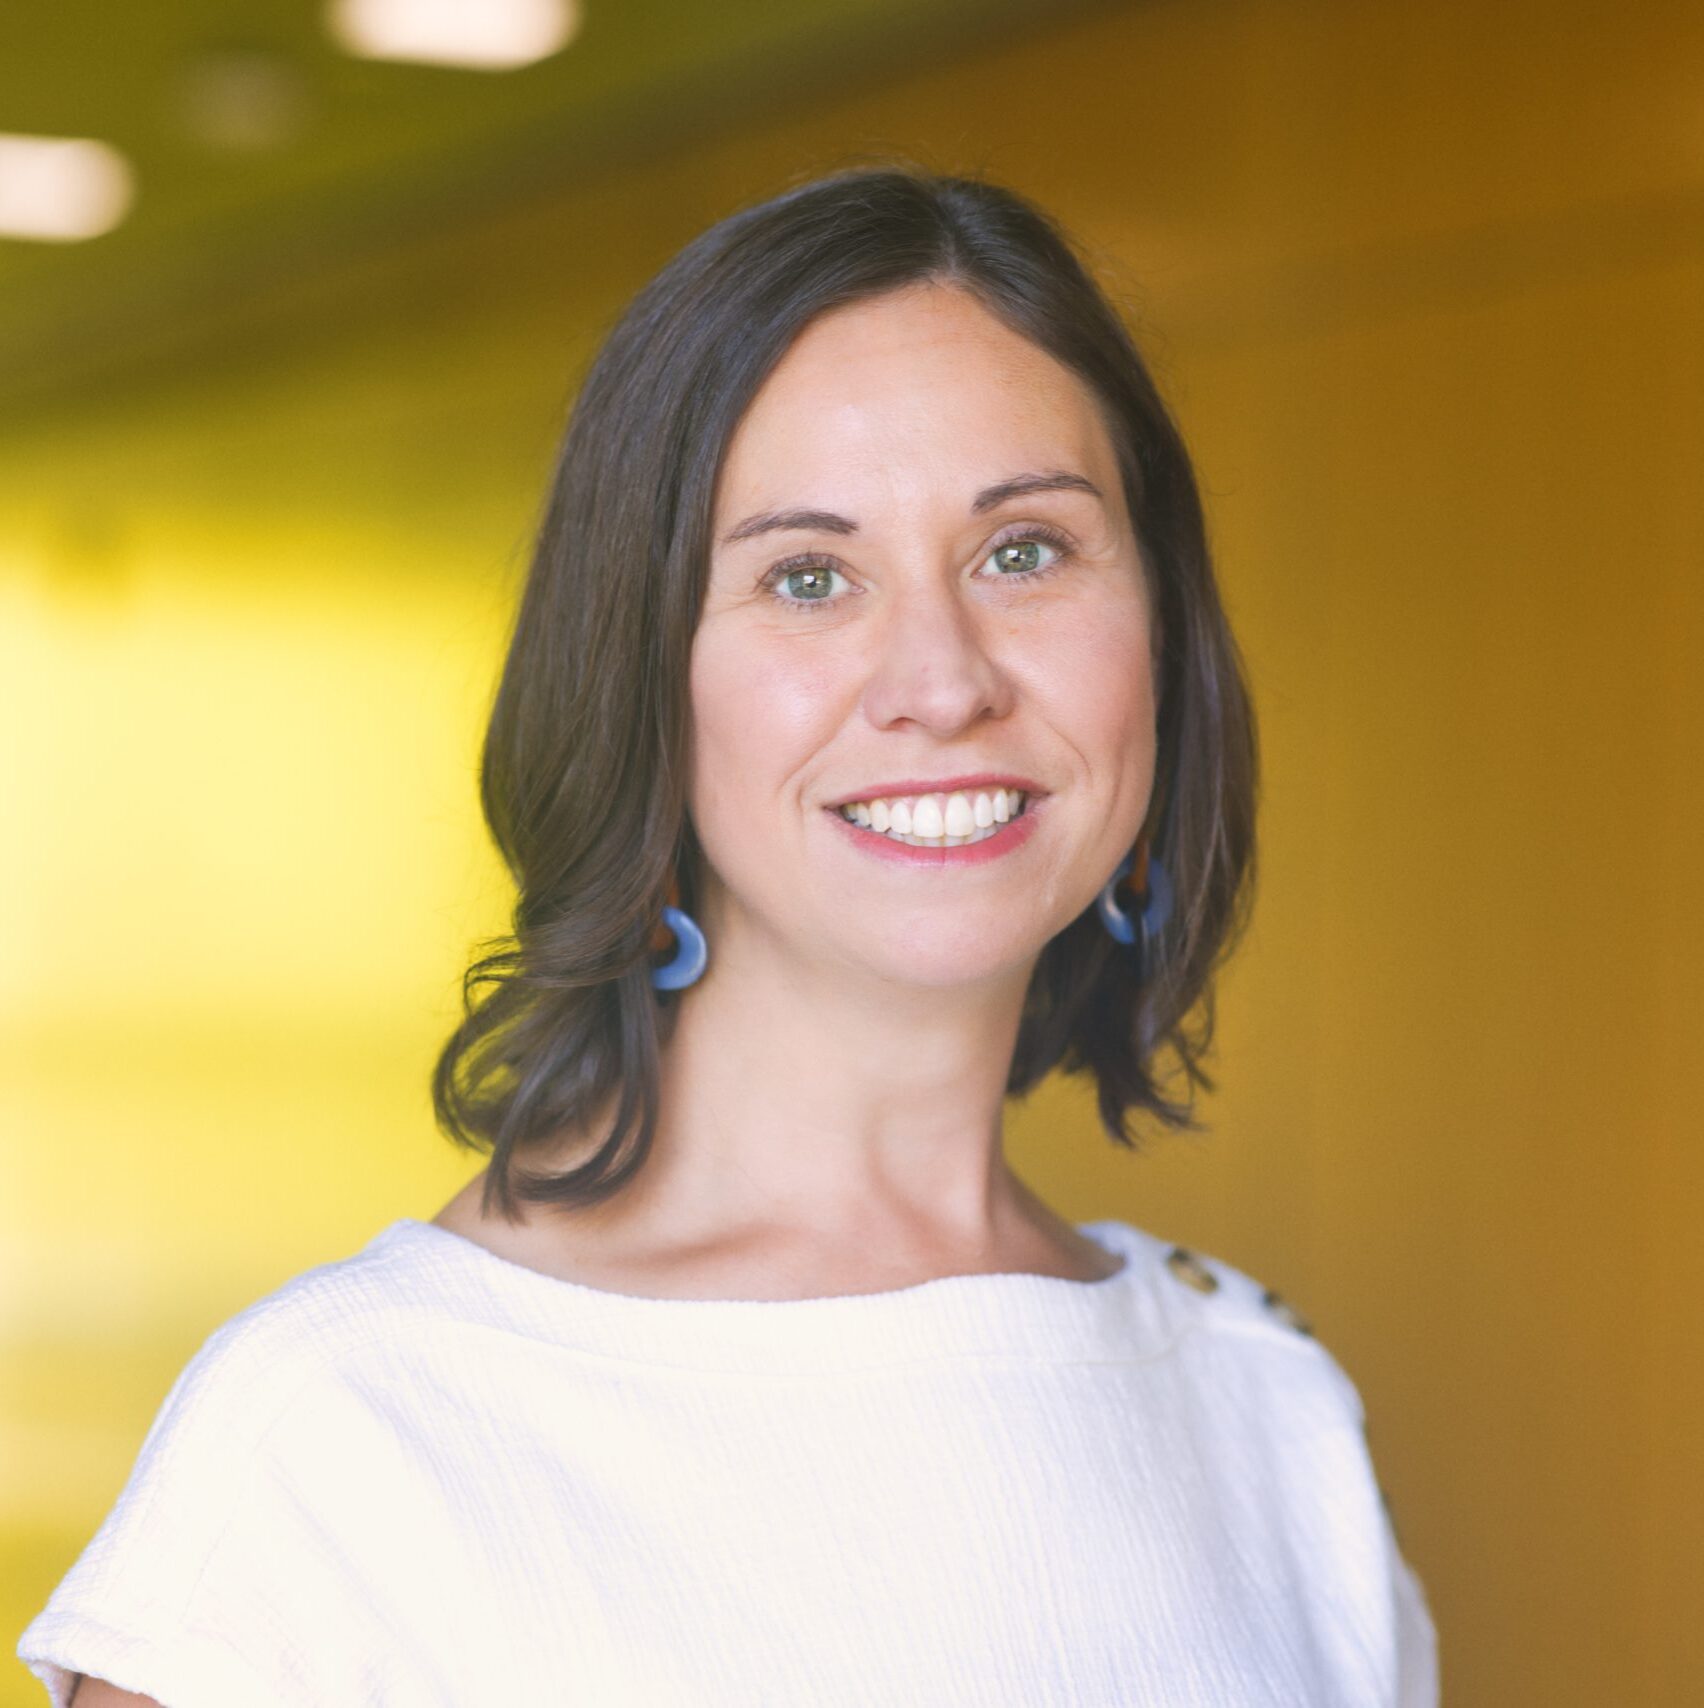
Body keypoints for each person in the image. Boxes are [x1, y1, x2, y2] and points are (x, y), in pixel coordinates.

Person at [19, 163, 1439, 1706]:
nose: (942, 680)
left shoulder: (1266, 1413)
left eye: (1024, 550)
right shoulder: (351, 1433)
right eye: (808, 578)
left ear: (1160, 627)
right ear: (643, 682)